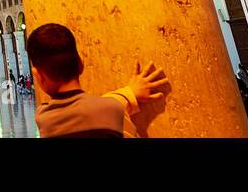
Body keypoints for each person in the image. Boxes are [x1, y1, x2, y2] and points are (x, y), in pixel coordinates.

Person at [26, 22, 169, 138]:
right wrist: (129, 94)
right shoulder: (112, 110)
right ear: (81, 64)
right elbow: (99, 109)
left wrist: (126, 95)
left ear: (39, 76)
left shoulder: (44, 117)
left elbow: (82, 111)